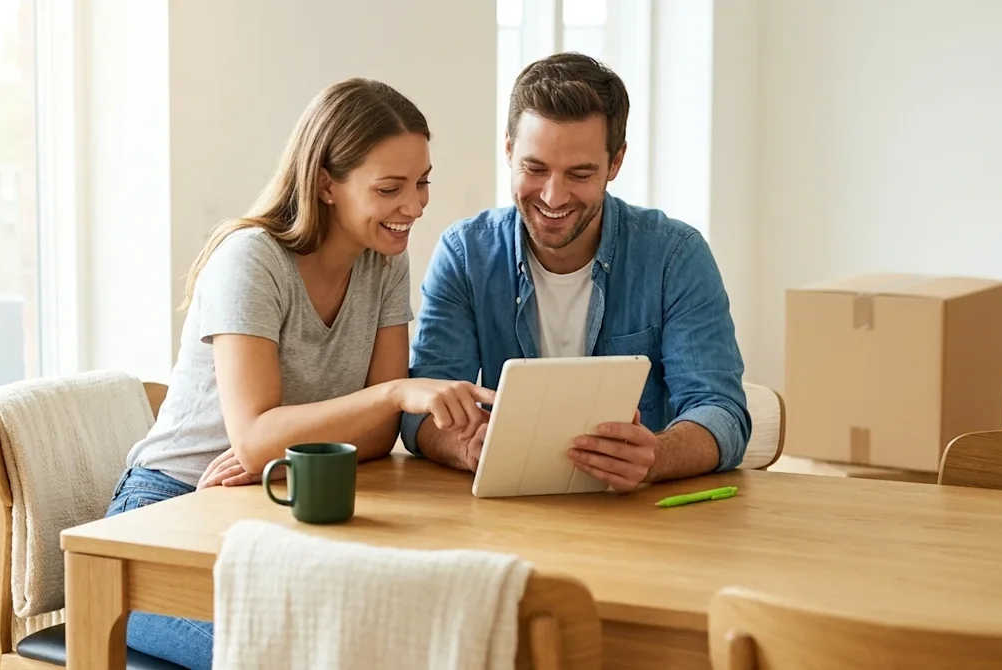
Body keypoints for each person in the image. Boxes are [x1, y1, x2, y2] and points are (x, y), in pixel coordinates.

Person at [104, 78, 495, 669]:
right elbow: (262, 438)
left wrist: (288, 444)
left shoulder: (383, 258)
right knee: (297, 656)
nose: (414, 207)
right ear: (325, 184)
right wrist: (383, 395)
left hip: (273, 503)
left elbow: (375, 435)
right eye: (390, 188)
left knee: (400, 637)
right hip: (172, 511)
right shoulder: (251, 260)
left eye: (422, 183)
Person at [401, 53, 751, 492]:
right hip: (505, 509)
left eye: (580, 173)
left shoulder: (674, 256)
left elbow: (720, 411)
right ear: (508, 150)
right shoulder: (465, 254)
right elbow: (420, 411)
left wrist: (656, 456)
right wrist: (464, 447)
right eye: (534, 168)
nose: (552, 196)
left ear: (616, 162)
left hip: (639, 517)